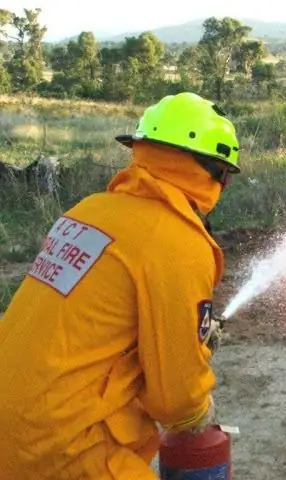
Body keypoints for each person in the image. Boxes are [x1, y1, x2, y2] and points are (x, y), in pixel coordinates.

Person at [0, 91, 240, 479]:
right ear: (215, 172)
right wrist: (198, 409)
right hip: (59, 448)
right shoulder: (178, 241)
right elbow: (176, 403)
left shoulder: (88, 212)